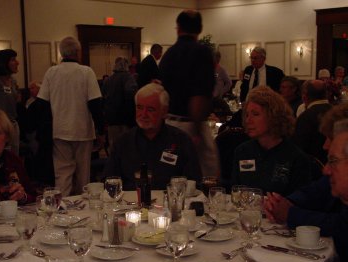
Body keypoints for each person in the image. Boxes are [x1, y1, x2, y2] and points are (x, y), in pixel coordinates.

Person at [265, 126, 348, 262]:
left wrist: (289, 213)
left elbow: (343, 226)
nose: (326, 170)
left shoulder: (294, 155)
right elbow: (314, 191)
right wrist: (285, 203)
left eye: (333, 161)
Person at [37, 36, 104, 196]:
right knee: (83, 176)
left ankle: (62, 209)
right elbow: (95, 104)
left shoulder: (51, 72)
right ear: (78, 52)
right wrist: (101, 131)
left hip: (59, 130)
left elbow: (42, 103)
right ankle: (84, 209)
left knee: (62, 175)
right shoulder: (86, 72)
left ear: (61, 52)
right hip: (82, 130)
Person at [103, 83, 202, 190]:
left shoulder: (181, 141)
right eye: (139, 108)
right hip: (130, 202)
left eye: (150, 109)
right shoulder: (123, 142)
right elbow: (108, 181)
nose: (143, 114)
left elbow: (194, 182)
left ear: (164, 111)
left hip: (170, 203)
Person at [159, 10, 220, 178]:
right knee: (207, 174)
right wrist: (198, 131)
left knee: (173, 174)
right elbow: (199, 97)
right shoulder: (201, 53)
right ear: (199, 29)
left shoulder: (168, 55)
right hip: (191, 124)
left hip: (168, 124)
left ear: (178, 28)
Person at [232, 86, 312, 196]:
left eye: (255, 114)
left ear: (274, 116)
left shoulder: (295, 158)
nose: (248, 120)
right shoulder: (243, 152)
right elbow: (236, 191)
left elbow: (299, 202)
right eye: (247, 115)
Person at [102, 57, 138, 150]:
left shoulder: (108, 80)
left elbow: (104, 100)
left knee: (114, 148)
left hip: (111, 120)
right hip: (125, 121)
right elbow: (132, 98)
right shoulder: (128, 78)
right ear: (126, 66)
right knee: (127, 148)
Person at [292, 80, 331, 164]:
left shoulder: (305, 118)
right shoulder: (338, 113)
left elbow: (299, 150)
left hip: (313, 168)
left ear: (304, 97)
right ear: (326, 94)